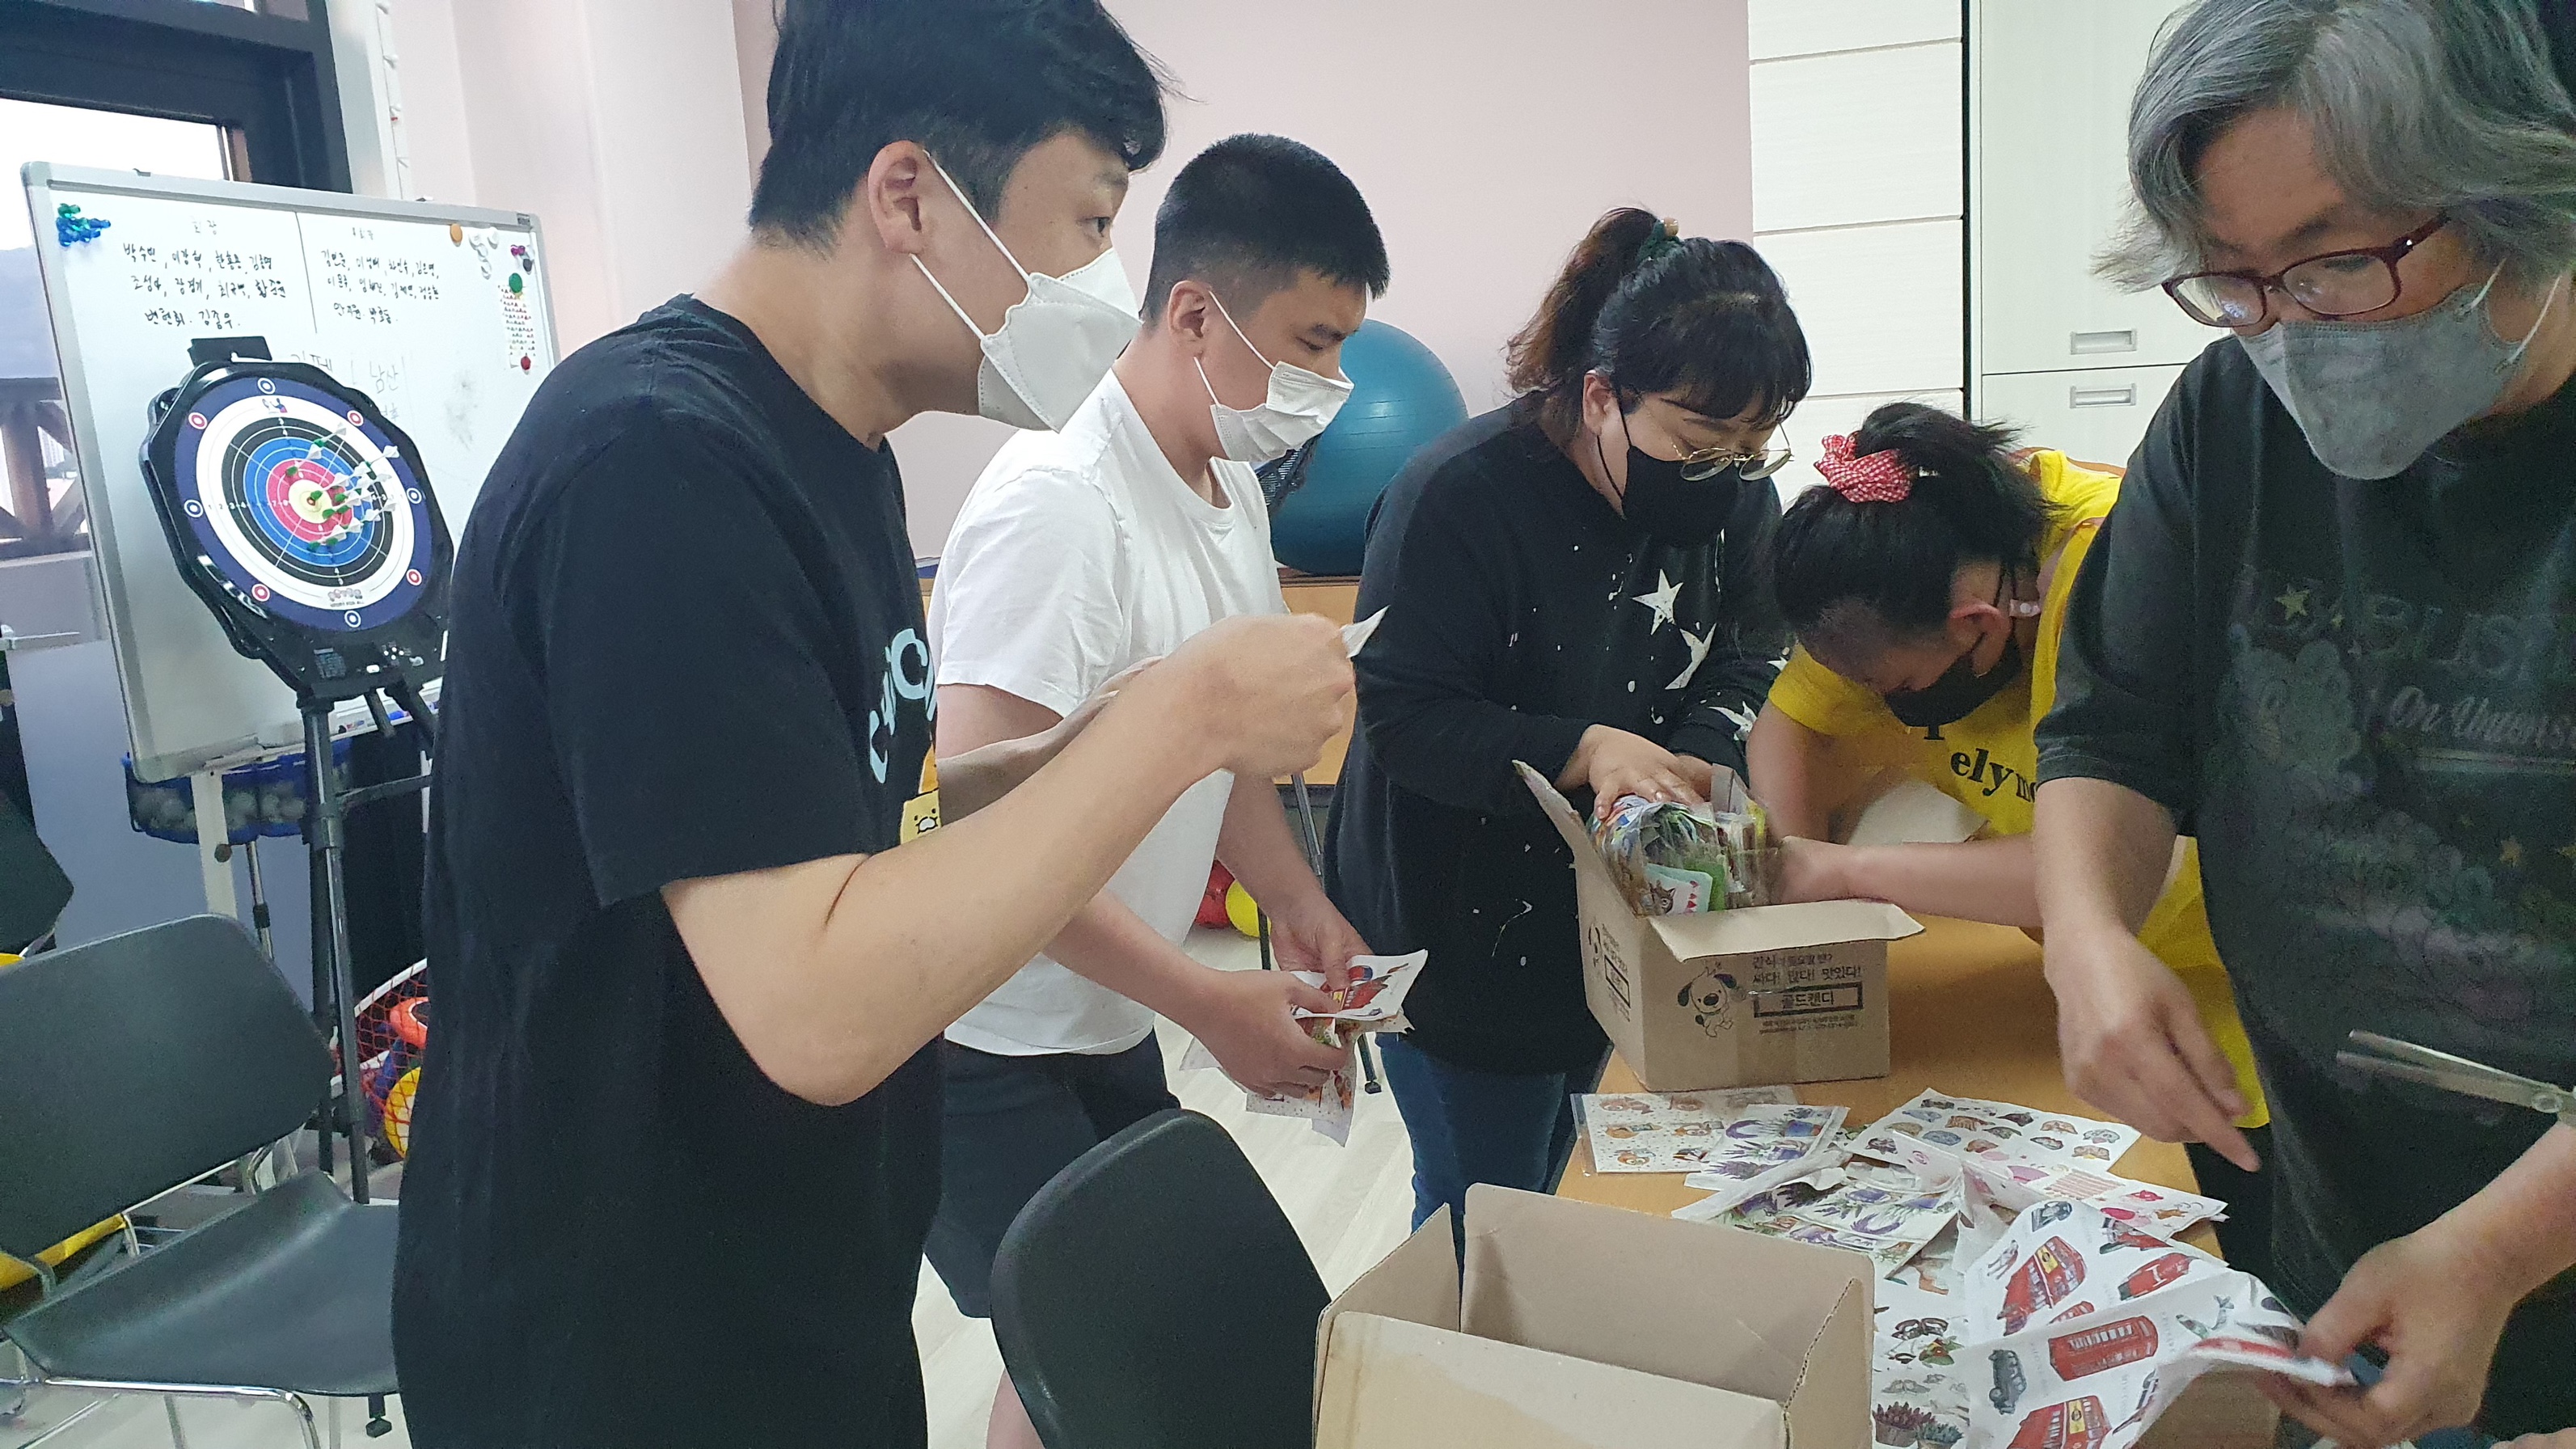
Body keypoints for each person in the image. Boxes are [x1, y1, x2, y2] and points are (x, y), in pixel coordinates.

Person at [391, 6, 1358, 1447]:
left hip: (797, 1267)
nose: (1101, 285)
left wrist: (1060, 755)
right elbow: (817, 1008)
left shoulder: (834, 450)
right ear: (909, 194)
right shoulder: (657, 464)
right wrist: (1185, 712)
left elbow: (840, 809)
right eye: (1088, 223)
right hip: (623, 1331)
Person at [2029, 1, 2576, 1444]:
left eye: (2338, 263)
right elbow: (2109, 732)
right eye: (2232, 280)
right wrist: (2086, 939)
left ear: (2520, 197)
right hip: (2338, 1213)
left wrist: (2499, 1253)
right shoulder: (2229, 417)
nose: (2289, 332)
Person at [923, 132, 1387, 1449]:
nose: (1329, 387)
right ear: (1194, 315)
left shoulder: (1227, 487)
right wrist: (1206, 1001)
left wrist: (1294, 900)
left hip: (1099, 1009)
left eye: (1343, 350)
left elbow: (1219, 750)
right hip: (985, 1035)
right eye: (1309, 345)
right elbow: (978, 833)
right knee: (1099, 1340)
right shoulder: (1060, 506)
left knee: (1096, 1344)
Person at [1324, 209, 1806, 1240]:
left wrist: (1694, 758)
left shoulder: (1734, 495)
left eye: (1753, 447)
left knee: (1571, 1177)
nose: (1727, 473)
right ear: (1601, 396)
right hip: (1458, 925)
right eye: (1697, 444)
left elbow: (1753, 651)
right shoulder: (1459, 496)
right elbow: (1405, 718)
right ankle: (1450, 1341)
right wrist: (1586, 749)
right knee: (1485, 1208)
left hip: (1620, 914)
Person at [1747, 401, 2274, 1275]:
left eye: (1900, 689)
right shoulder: (1890, 570)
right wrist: (1798, 893)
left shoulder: (2122, 579)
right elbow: (1793, 724)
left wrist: (1843, 870)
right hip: (2090, 989)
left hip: (2246, 990)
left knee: (2251, 1260)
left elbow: (2110, 871)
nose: (1882, 707)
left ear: (1978, 628)